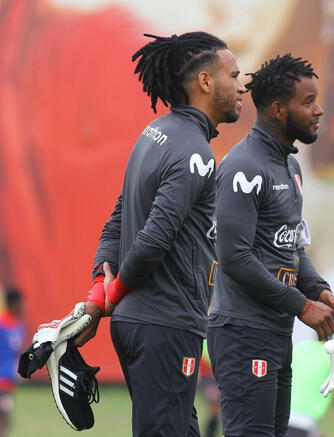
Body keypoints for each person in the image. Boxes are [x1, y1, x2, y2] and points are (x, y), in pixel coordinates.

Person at [73, 31, 246, 437]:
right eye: (235, 75)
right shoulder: (194, 153)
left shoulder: (154, 134)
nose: (242, 86)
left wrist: (98, 297)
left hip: (142, 324)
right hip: (166, 325)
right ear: (205, 82)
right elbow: (153, 239)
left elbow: (117, 218)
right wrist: (108, 298)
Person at [208, 53, 334, 437]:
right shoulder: (243, 167)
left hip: (273, 331)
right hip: (242, 332)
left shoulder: (289, 166)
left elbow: (292, 245)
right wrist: (301, 305)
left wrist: (317, 288)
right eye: (308, 101)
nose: (319, 110)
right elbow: (233, 257)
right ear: (280, 109)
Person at [0, 288, 24, 437]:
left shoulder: (18, 325)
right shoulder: (2, 324)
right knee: (4, 420)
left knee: (5, 421)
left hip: (9, 380)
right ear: (14, 303)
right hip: (1, 380)